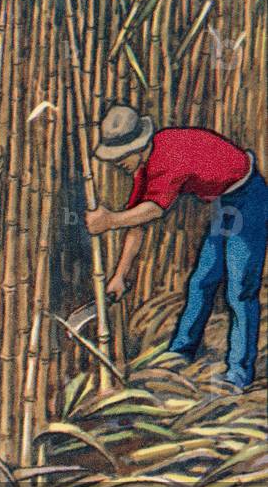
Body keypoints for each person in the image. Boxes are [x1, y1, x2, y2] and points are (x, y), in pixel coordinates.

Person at [85, 105, 267, 392]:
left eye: (121, 156)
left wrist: (109, 221)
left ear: (139, 145)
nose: (117, 162)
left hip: (248, 196)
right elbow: (137, 223)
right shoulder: (144, 168)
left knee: (240, 290)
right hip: (224, 203)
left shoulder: (168, 158)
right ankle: (180, 353)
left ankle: (239, 374)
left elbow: (154, 210)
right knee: (201, 282)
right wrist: (120, 275)